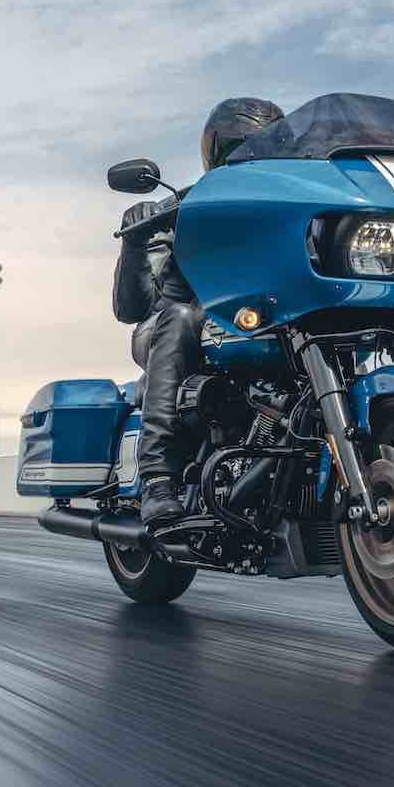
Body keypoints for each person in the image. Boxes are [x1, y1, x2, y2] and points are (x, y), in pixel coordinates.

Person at [113, 97, 285, 525]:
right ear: (218, 154)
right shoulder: (193, 210)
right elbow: (133, 307)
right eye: (241, 148)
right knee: (182, 317)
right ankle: (158, 478)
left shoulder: (287, 207)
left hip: (262, 324)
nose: (253, 158)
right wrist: (136, 241)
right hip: (173, 322)